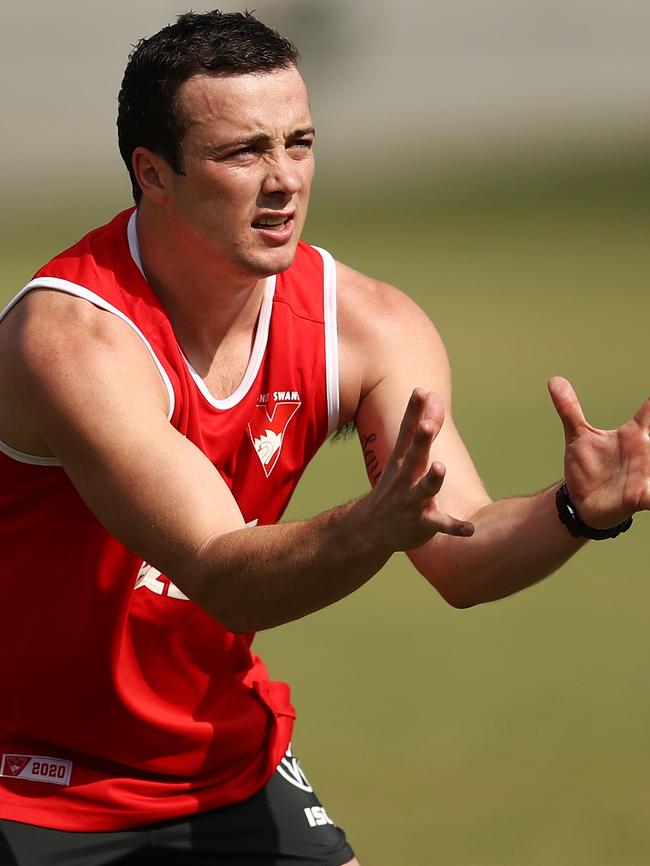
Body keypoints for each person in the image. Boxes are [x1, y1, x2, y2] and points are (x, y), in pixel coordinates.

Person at [0, 9, 647, 866]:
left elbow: (460, 556)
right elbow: (224, 577)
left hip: (221, 764)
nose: (284, 180)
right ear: (152, 174)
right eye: (244, 152)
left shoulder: (365, 327)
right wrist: (368, 528)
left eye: (299, 143)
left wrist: (579, 511)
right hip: (32, 782)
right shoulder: (74, 339)